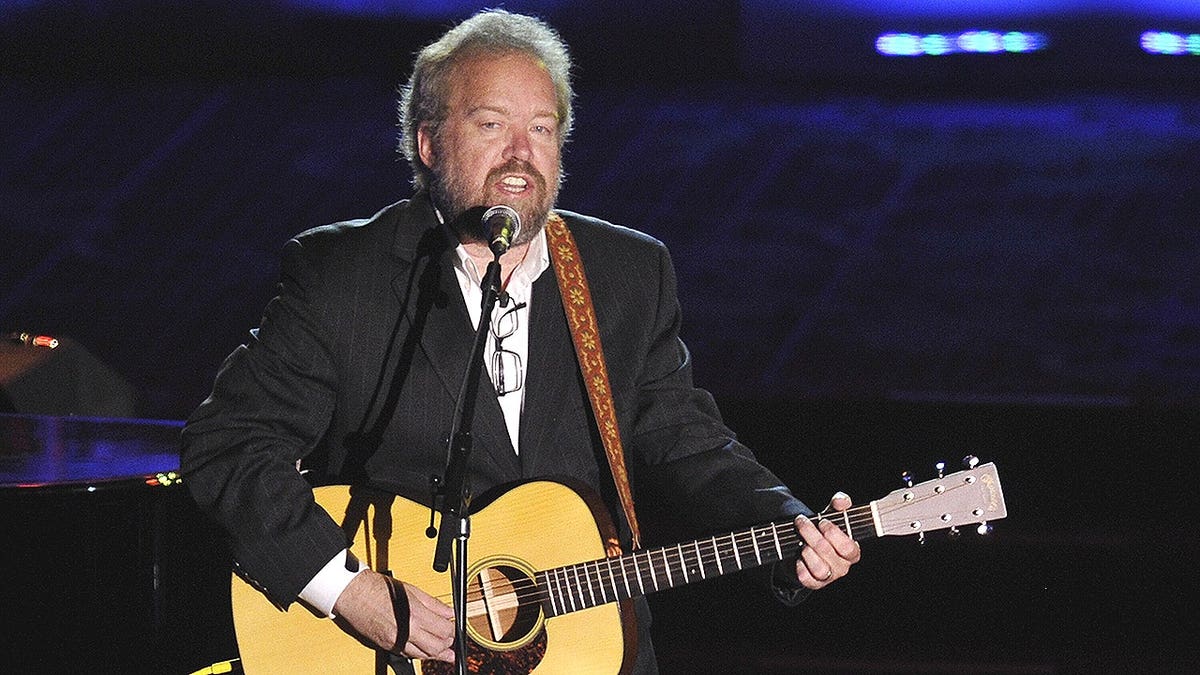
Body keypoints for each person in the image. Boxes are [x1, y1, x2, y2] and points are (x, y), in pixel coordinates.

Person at [180, 8, 860, 673]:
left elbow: (689, 444)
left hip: (587, 650)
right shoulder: (344, 273)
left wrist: (791, 526)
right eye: (491, 124)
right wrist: (352, 591)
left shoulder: (626, 273)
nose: (521, 153)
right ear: (428, 143)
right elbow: (230, 444)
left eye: (541, 128)